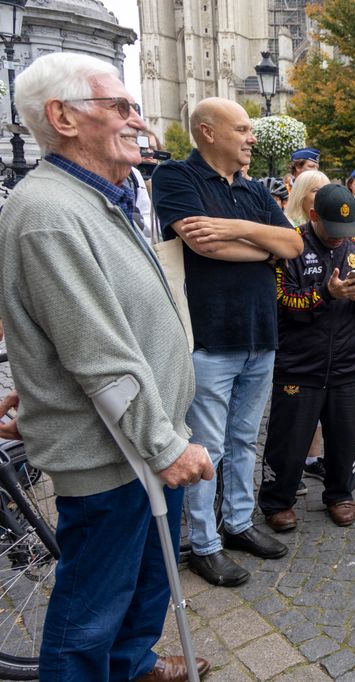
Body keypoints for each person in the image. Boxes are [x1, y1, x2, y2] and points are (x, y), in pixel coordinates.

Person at [0, 52, 214, 681]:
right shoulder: (48, 213)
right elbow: (99, 356)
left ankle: (131, 666)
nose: (136, 120)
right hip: (113, 454)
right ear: (62, 117)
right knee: (88, 614)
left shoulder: (99, 198)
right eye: (119, 105)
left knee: (146, 585)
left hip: (142, 444)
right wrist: (166, 444)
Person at [151, 97, 304, 587]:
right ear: (207, 132)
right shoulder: (176, 177)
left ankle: (237, 524)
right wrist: (266, 249)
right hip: (210, 337)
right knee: (207, 446)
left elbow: (295, 245)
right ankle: (204, 543)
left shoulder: (256, 191)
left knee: (242, 439)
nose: (251, 137)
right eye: (241, 128)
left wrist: (240, 229)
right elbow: (203, 244)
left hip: (261, 334)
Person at [259, 184, 355, 531]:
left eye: (343, 232)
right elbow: (283, 302)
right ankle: (277, 500)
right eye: (331, 230)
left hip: (348, 365)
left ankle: (340, 493)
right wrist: (326, 295)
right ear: (313, 216)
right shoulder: (291, 247)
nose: (337, 239)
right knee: (289, 439)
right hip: (299, 366)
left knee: (345, 435)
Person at [281, 169, 332, 489]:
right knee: (295, 409)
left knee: (320, 405)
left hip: (329, 333)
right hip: (298, 332)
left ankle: (312, 458)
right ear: (302, 195)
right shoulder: (288, 232)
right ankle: (288, 467)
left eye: (326, 188)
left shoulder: (331, 230)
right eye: (316, 189)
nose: (322, 193)